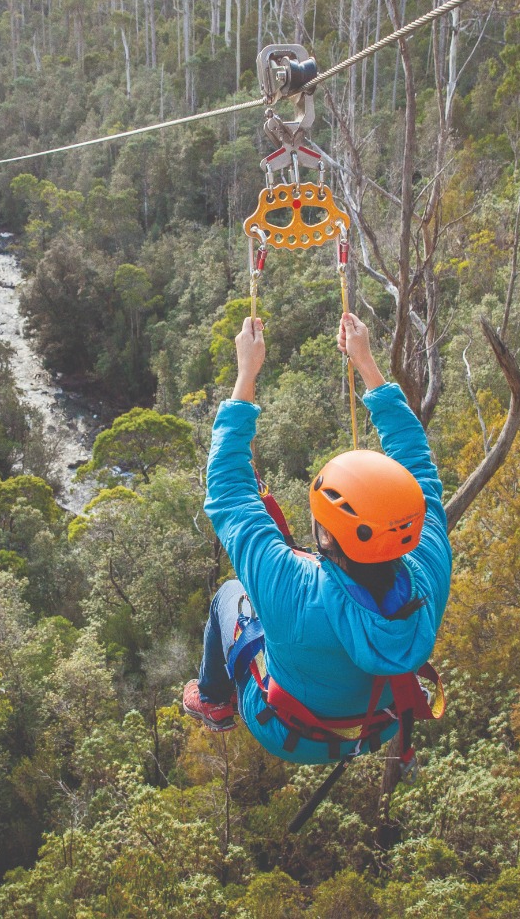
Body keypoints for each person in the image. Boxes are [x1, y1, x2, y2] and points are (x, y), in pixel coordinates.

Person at [181, 312, 450, 764]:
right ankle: (218, 697)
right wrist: (366, 363)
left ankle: (214, 699)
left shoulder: (293, 587)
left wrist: (246, 373)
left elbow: (228, 490)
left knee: (231, 592)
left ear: (325, 537)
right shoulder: (429, 560)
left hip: (285, 729)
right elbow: (418, 464)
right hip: (373, 726)